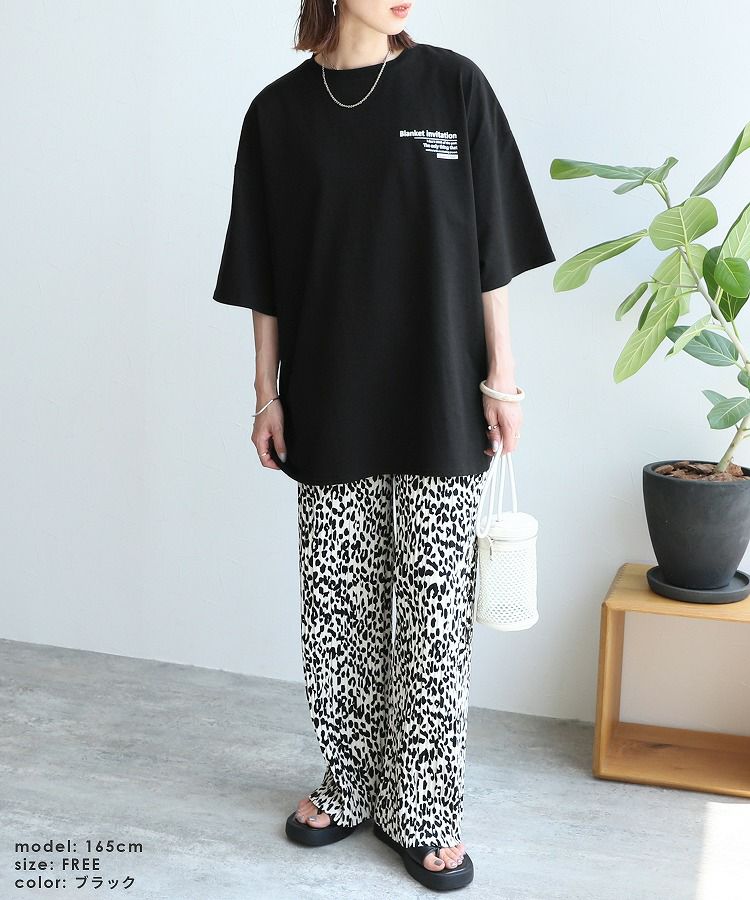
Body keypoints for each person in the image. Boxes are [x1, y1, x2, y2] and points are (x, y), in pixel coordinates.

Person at [212, 0, 555, 891]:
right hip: (329, 398)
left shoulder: (454, 86)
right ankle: (351, 782)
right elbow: (264, 274)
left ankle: (425, 806)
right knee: (338, 608)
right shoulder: (276, 114)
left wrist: (503, 377)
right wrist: (265, 395)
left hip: (440, 394)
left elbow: (491, 250)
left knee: (434, 614)